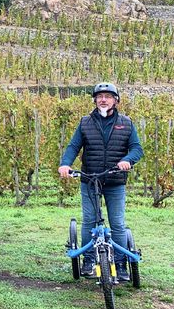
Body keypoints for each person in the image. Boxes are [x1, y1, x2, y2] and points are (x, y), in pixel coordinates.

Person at [58, 82, 143, 282]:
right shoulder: (85, 122)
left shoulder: (126, 123)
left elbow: (137, 149)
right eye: (100, 96)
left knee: (118, 224)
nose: (103, 99)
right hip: (90, 179)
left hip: (115, 180)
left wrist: (126, 160)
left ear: (115, 100)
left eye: (108, 96)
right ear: (95, 100)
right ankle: (88, 261)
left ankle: (121, 264)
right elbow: (73, 146)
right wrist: (65, 164)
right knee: (89, 220)